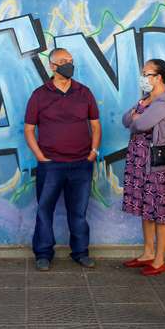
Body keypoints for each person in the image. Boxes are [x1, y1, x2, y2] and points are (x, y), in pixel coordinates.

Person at [24, 48, 101, 272]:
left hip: (81, 164)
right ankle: (43, 253)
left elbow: (95, 125)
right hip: (51, 165)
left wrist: (93, 152)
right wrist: (41, 157)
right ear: (53, 66)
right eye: (64, 61)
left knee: (78, 212)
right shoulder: (40, 95)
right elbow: (29, 129)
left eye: (71, 60)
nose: (69, 64)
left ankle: (80, 252)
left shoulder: (84, 92)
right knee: (44, 210)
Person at [121, 59, 165, 276]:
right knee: (146, 208)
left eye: (146, 73)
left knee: (159, 210)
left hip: (154, 162)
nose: (143, 78)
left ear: (158, 77)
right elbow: (127, 120)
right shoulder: (145, 100)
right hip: (138, 159)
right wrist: (137, 115)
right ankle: (147, 252)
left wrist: (137, 117)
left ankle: (159, 259)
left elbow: (140, 124)